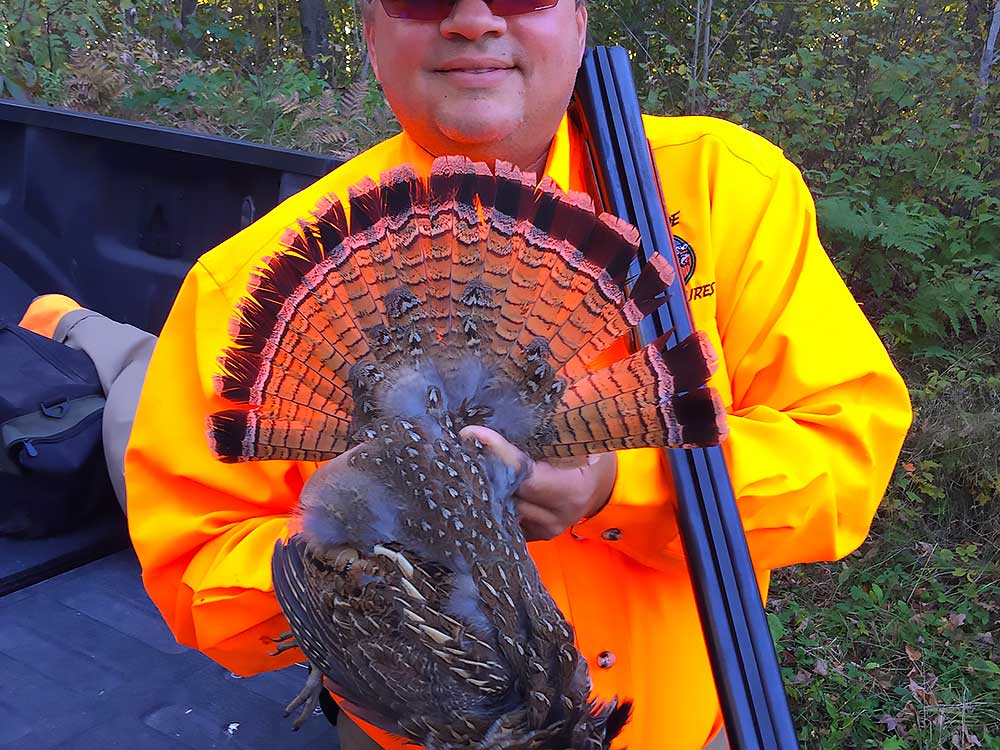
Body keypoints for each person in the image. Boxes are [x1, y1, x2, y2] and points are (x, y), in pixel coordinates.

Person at [21, 0, 912, 747]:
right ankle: (66, 326)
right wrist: (374, 553)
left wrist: (617, 481)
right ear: (370, 30)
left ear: (577, 15)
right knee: (127, 385)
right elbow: (196, 568)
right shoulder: (245, 281)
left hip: (693, 723)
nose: (473, 19)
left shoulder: (723, 191)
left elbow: (845, 452)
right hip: (415, 738)